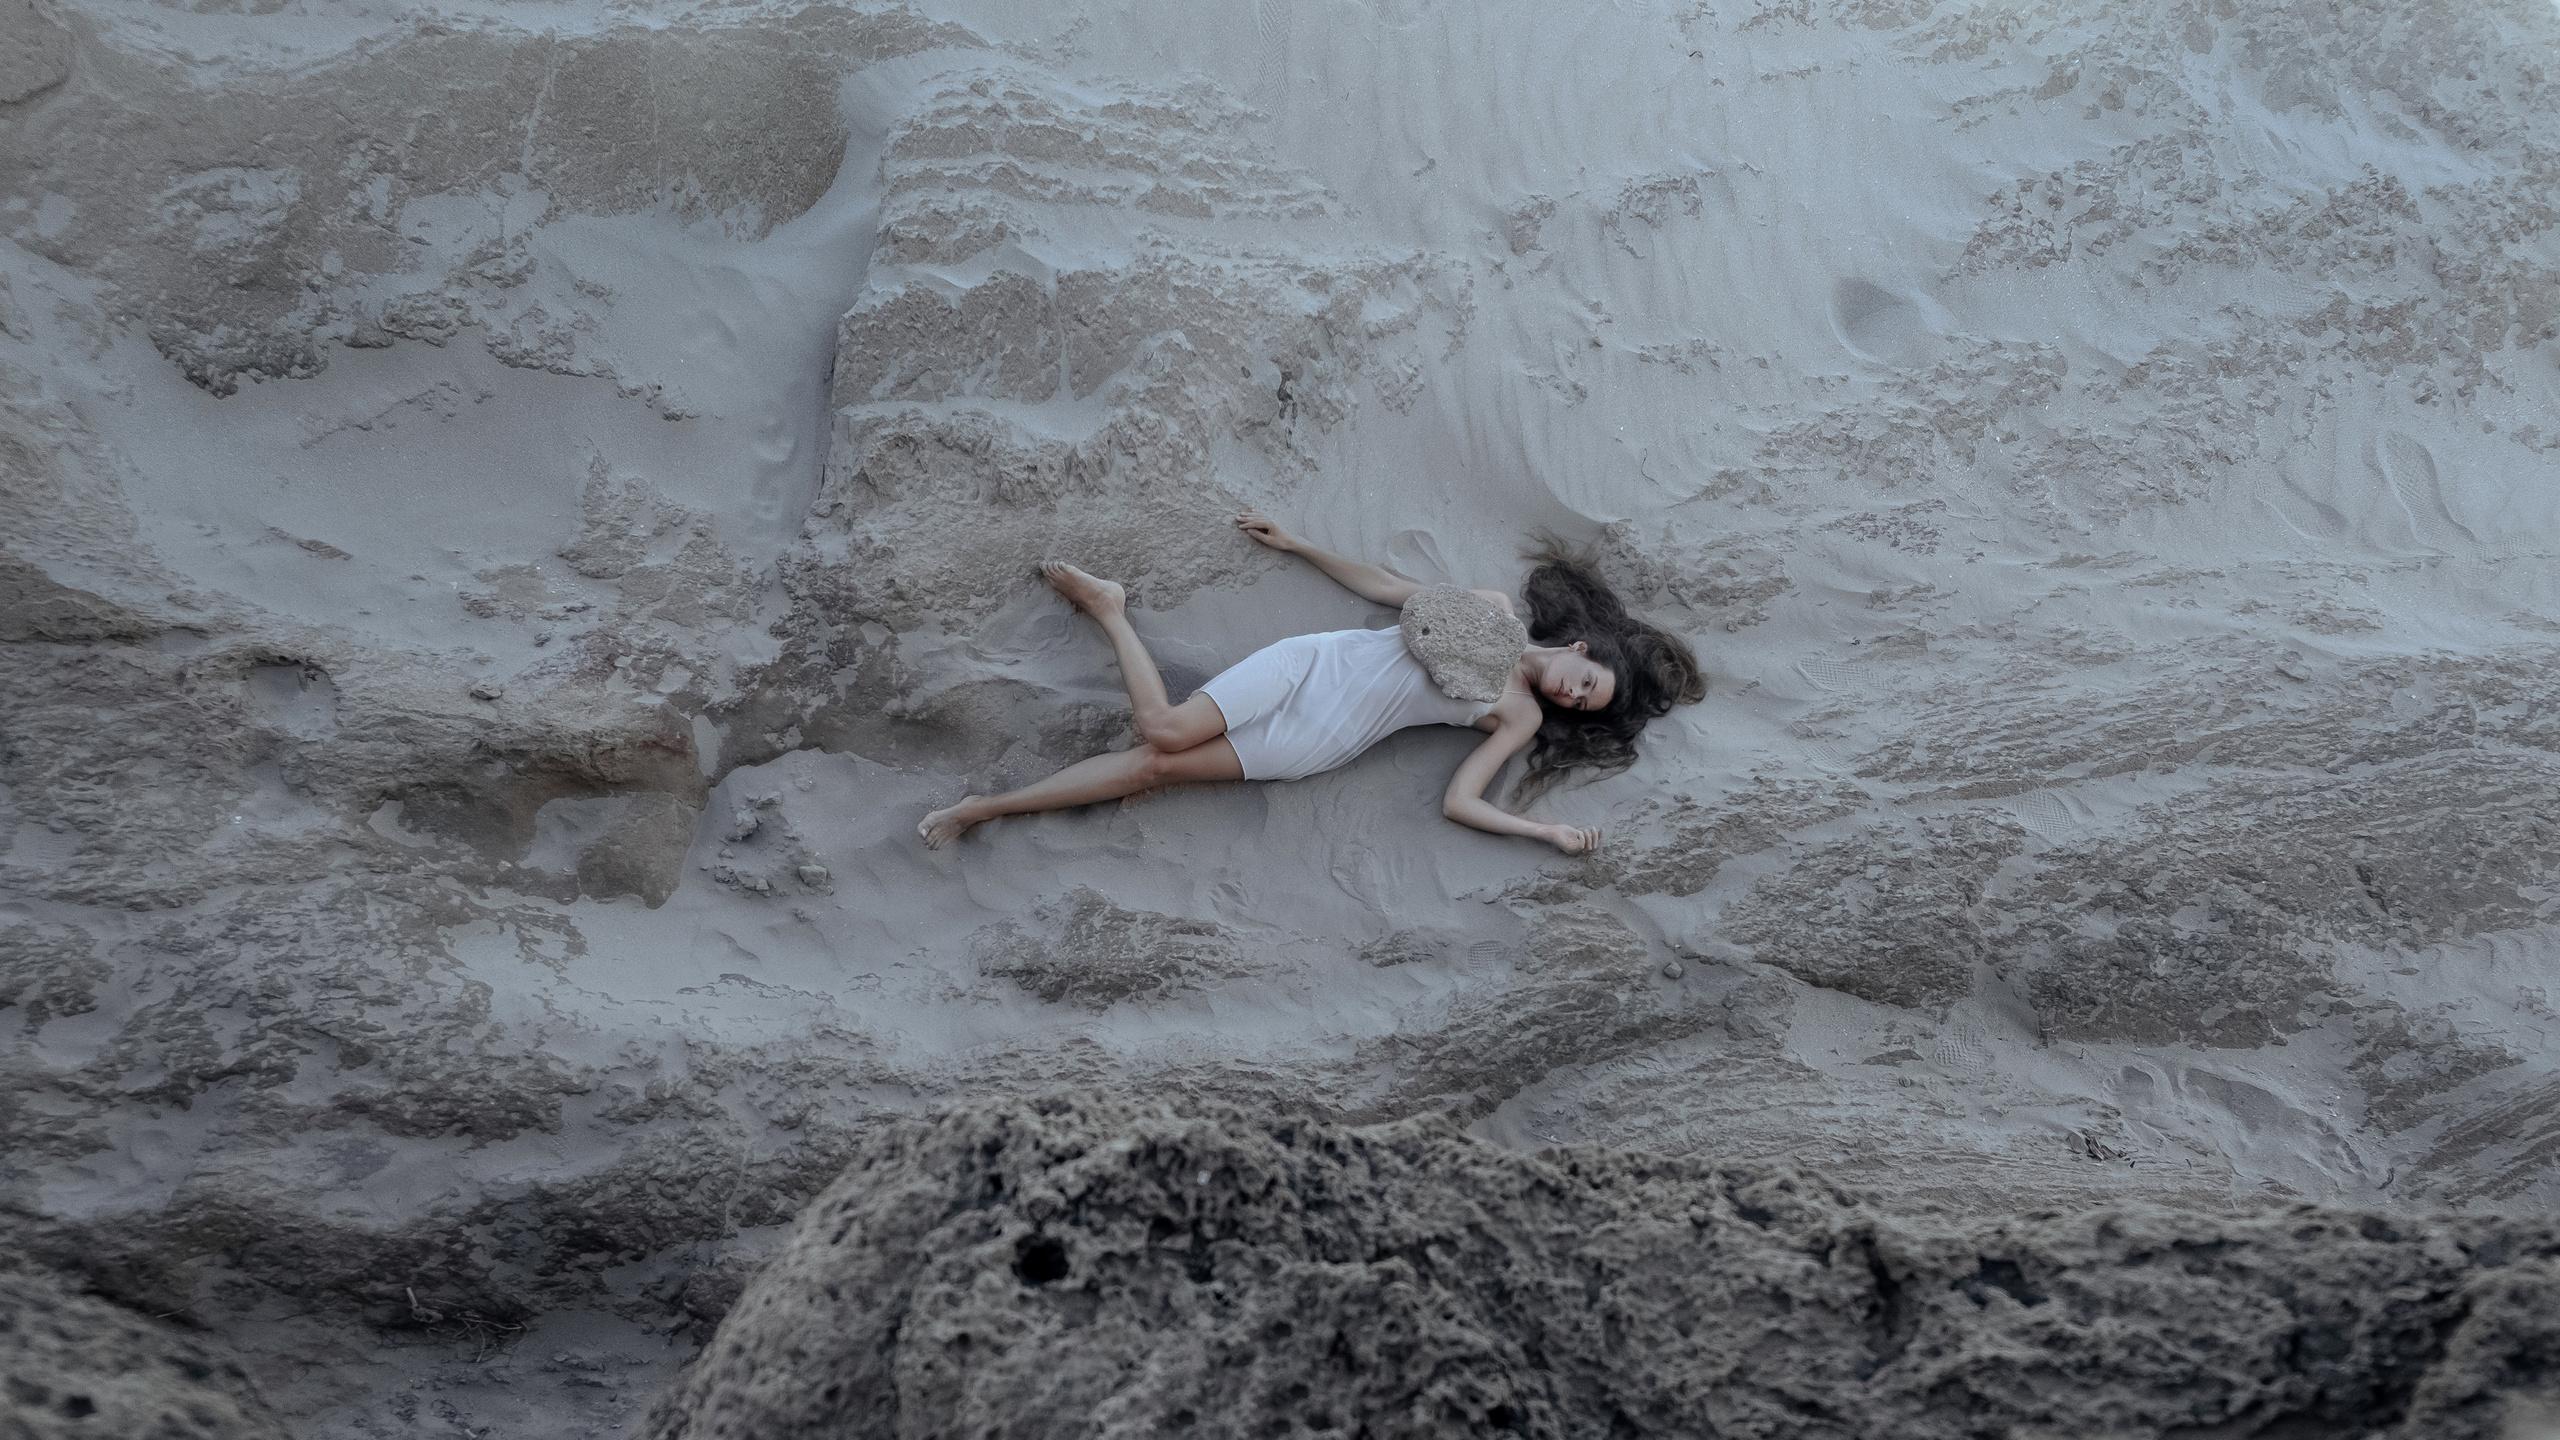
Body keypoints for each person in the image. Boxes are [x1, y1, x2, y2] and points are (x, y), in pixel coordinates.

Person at [917, 513, 1705, 852]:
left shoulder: (1517, 719)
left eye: (1581, 704)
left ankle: (982, 810)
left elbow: (1461, 803)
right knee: (1162, 734)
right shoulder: (1492, 611)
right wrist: (1298, 544)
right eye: (1583, 681)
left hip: (1319, 740)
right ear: (1578, 647)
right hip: (1313, 664)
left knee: (1156, 762)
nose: (1570, 695)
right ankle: (1111, 611)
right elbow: (1389, 590)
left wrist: (1544, 832)